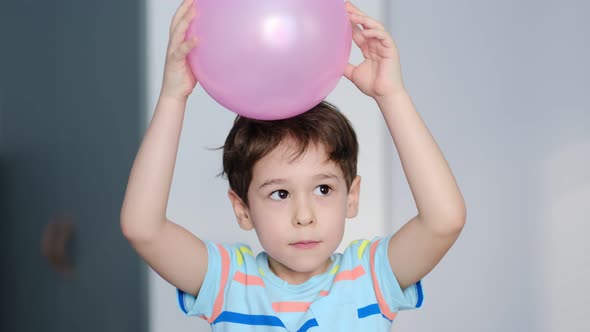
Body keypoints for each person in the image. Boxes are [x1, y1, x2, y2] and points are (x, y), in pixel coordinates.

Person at [120, 0, 466, 330]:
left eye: (323, 189)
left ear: (352, 197)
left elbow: (444, 220)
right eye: (280, 193)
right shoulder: (228, 283)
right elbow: (143, 228)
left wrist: (392, 95)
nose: (304, 215)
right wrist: (171, 98)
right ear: (243, 209)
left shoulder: (371, 278)